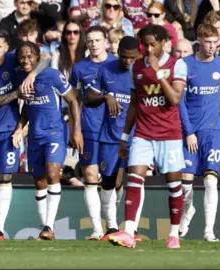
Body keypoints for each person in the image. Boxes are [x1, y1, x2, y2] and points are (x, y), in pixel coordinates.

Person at [108, 24, 185, 249]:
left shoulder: (177, 65)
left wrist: (158, 74)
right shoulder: (136, 68)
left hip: (169, 134)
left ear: (163, 43)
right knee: (135, 176)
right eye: (146, 44)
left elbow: (174, 99)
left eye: (154, 44)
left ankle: (173, 235)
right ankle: (129, 232)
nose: (150, 49)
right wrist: (124, 137)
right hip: (143, 133)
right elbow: (134, 104)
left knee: (174, 184)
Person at [0, 28, 48, 241]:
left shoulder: (14, 58)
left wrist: (31, 74)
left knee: (5, 177)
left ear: (6, 47)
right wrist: (16, 93)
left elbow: (46, 57)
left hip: (8, 129)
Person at [11, 41, 83, 240]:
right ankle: (45, 226)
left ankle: (49, 226)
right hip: (34, 136)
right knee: (40, 181)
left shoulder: (52, 75)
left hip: (54, 133)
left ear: (37, 56)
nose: (25, 61)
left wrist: (76, 131)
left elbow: (73, 100)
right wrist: (19, 128)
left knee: (53, 173)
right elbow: (28, 105)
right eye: (22, 57)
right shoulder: (19, 76)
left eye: (29, 56)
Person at [175, 24, 220, 241]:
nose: (212, 46)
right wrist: (188, 132)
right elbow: (179, 101)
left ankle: (209, 230)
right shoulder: (185, 65)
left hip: (212, 131)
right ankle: (188, 211)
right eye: (208, 42)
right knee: (185, 182)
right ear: (199, 40)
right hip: (190, 130)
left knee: (211, 180)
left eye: (215, 42)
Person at [85, 36, 139, 240]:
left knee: (134, 181)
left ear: (137, 55)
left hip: (137, 136)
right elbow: (89, 99)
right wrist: (105, 97)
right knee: (109, 181)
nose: (127, 61)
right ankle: (111, 227)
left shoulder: (142, 72)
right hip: (110, 136)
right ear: (119, 54)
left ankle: (132, 229)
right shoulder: (106, 69)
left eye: (131, 58)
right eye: (124, 57)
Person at [69, 25, 117, 240]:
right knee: (90, 176)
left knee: (111, 178)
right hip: (89, 128)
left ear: (106, 41)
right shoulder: (79, 68)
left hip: (113, 129)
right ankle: (98, 230)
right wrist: (75, 129)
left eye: (98, 40)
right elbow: (74, 101)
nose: (94, 44)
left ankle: (113, 226)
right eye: (90, 41)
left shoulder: (118, 64)